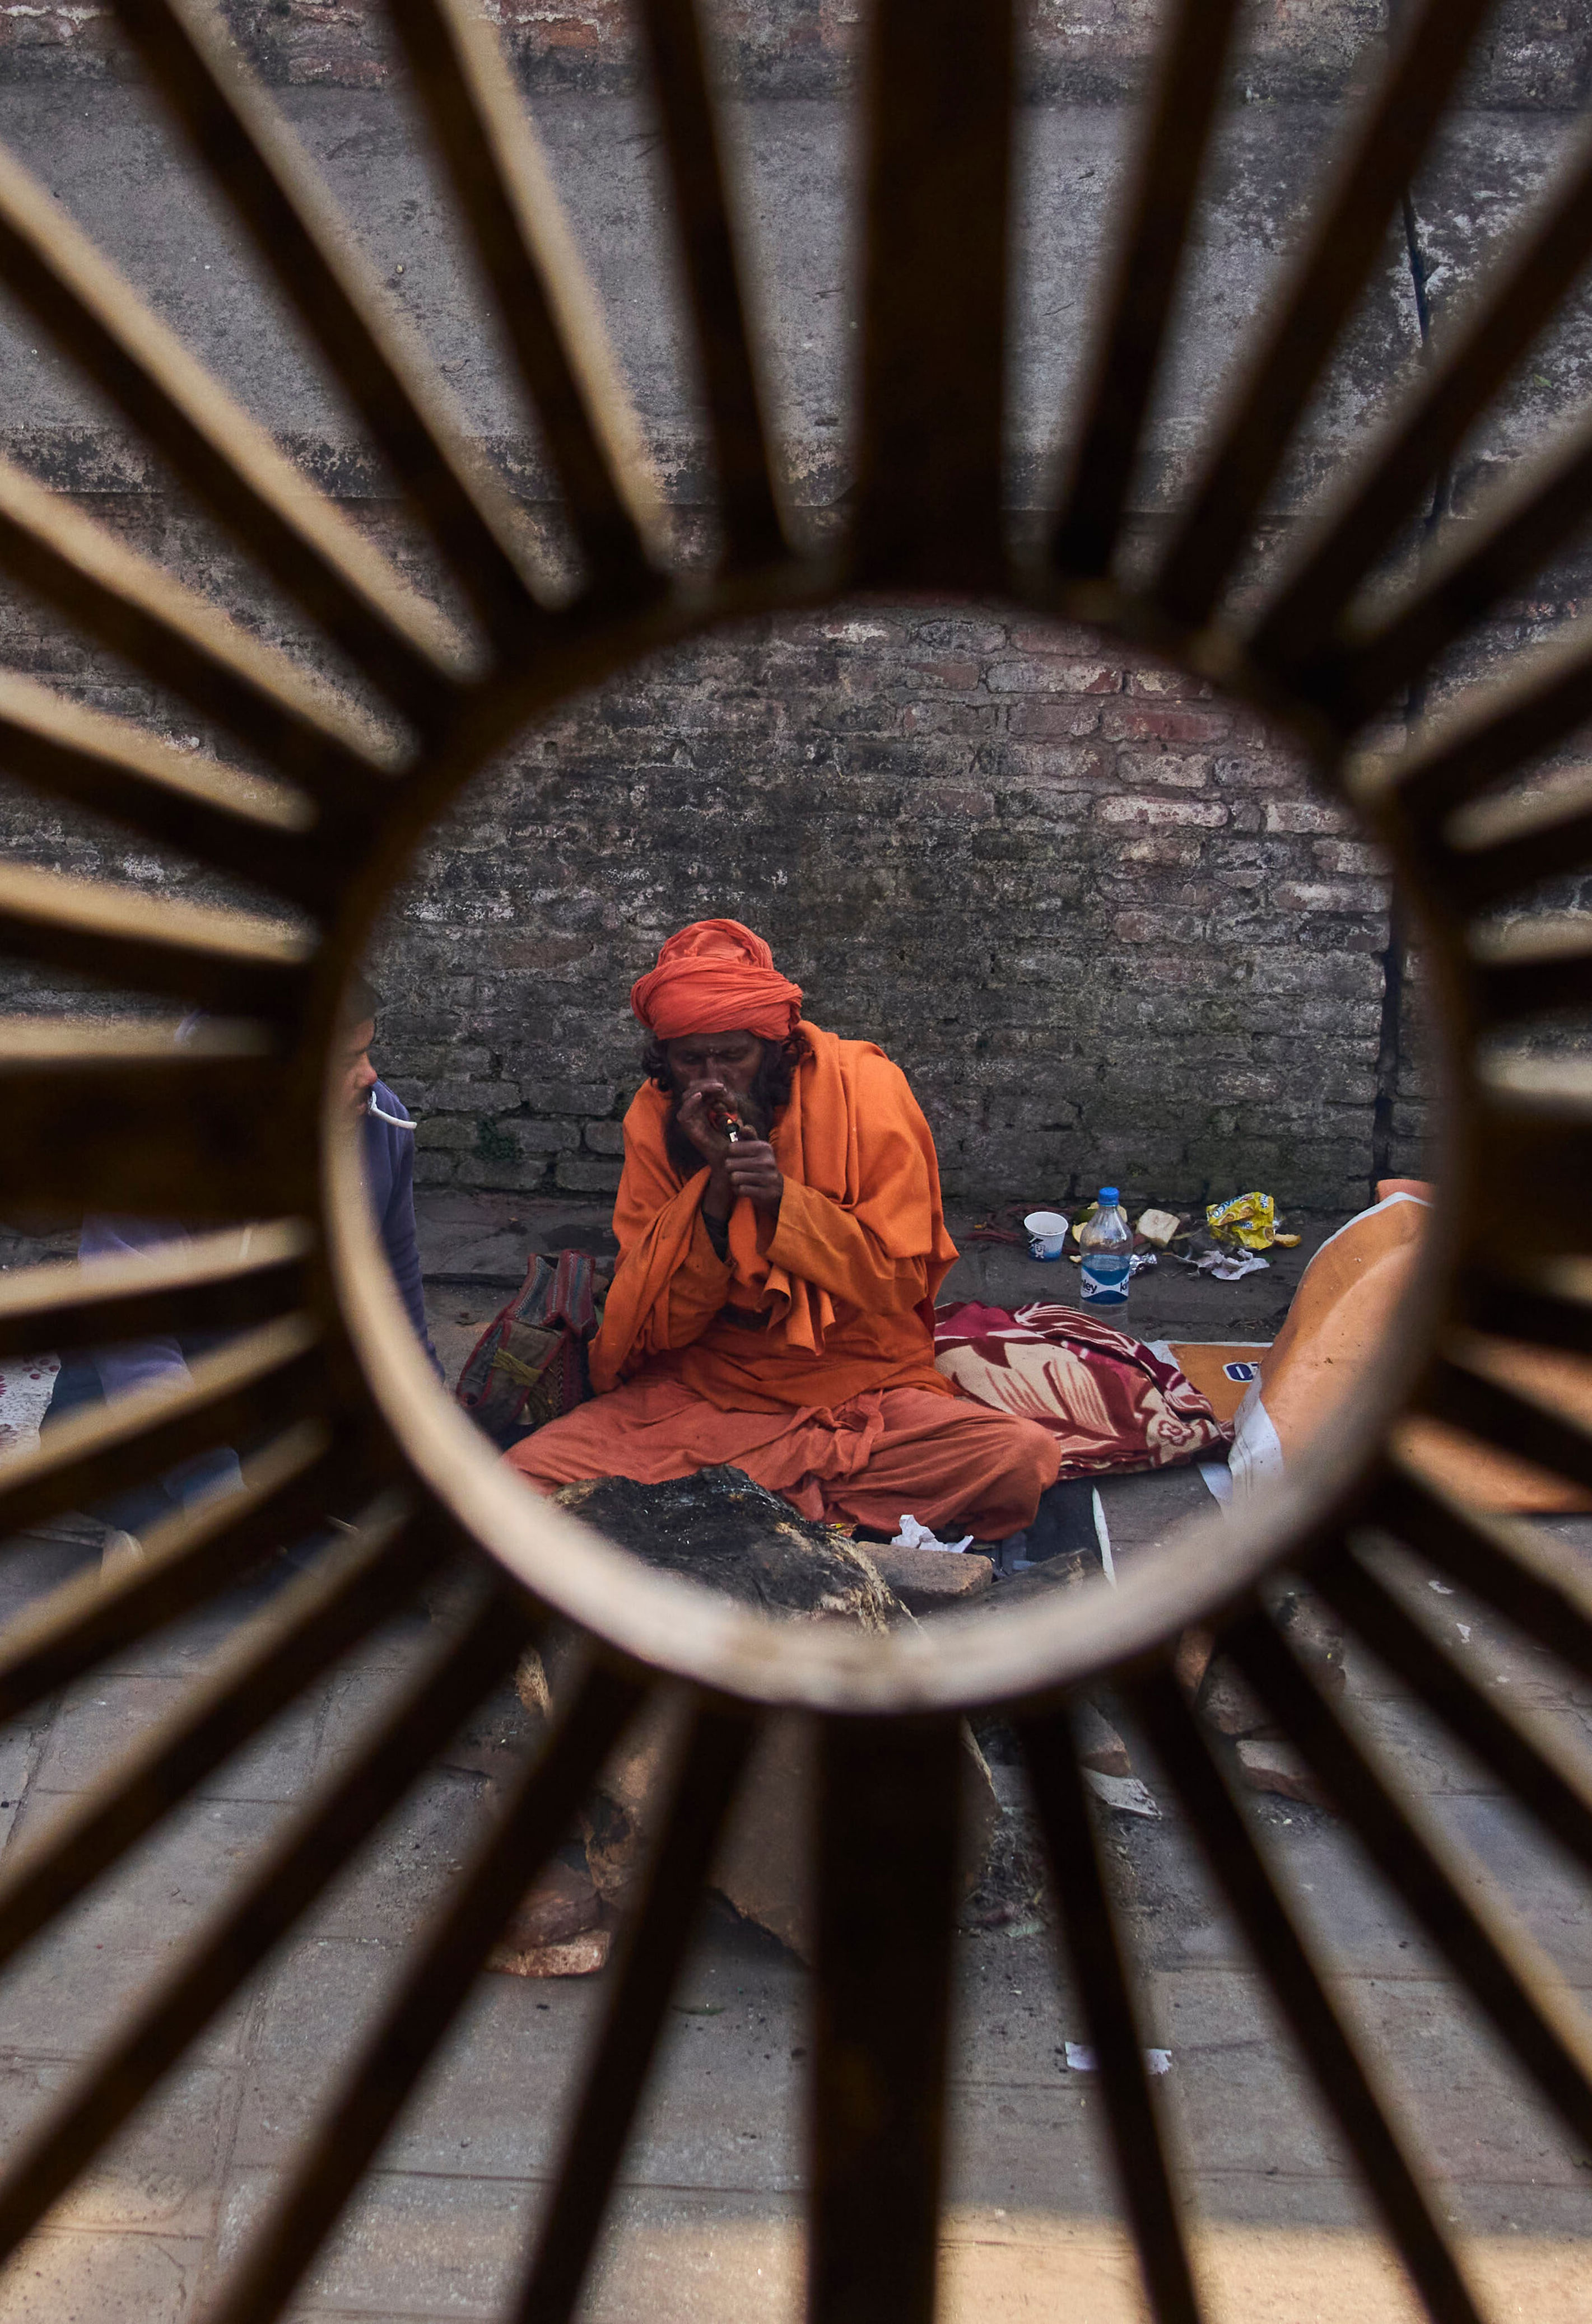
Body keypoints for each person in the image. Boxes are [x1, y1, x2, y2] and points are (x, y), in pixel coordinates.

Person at [505, 919, 1059, 1541]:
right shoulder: (653, 1117)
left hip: (858, 1383)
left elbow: (896, 1283)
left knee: (1020, 1457)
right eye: (690, 1060)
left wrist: (782, 1201)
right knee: (520, 1479)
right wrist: (717, 1192)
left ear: (774, 1047)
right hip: (707, 1393)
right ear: (666, 1060)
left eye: (732, 1056)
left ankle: (724, 1501)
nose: (712, 1080)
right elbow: (659, 1321)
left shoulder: (865, 1087)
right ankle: (784, 1501)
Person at [44, 974, 439, 1548]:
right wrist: (211, 1486)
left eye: (367, 1052)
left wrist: (427, 1423)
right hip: (139, 1385)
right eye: (346, 1060)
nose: (370, 1075)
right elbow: (137, 1346)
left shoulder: (381, 1127)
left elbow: (395, 1281)